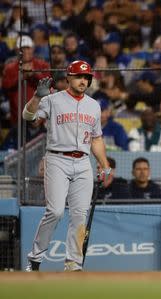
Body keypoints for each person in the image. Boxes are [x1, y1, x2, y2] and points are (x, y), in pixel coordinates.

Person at [21, 60, 110, 272]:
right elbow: (28, 117)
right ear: (68, 77)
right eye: (79, 76)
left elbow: (96, 139)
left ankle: (73, 264)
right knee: (55, 211)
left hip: (82, 162)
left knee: (80, 214)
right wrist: (37, 96)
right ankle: (35, 259)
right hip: (57, 159)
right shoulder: (52, 99)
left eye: (86, 77)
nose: (83, 80)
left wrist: (104, 164)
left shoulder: (94, 105)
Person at [2, 35, 50, 127]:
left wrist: (34, 74)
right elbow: (5, 86)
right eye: (21, 49)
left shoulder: (42, 65)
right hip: (17, 117)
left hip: (39, 118)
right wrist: (21, 76)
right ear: (16, 51)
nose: (24, 51)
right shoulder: (10, 68)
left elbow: (48, 85)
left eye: (27, 48)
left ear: (33, 49)